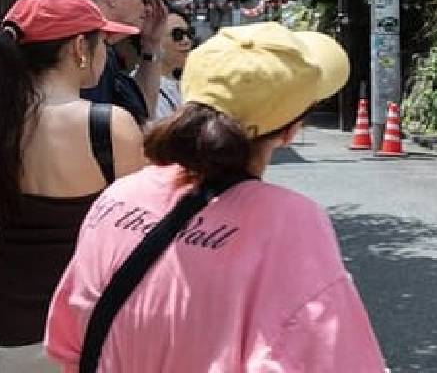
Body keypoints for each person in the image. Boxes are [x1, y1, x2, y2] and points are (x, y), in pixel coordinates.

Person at [43, 22, 386, 372]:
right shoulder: (290, 221)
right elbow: (329, 357)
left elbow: (69, 340)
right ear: (289, 130)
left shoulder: (118, 196)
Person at [0, 0, 148, 371]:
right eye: (102, 41)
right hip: (100, 329)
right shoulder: (110, 125)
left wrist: (20, 239)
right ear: (78, 49)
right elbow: (140, 242)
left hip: (14, 335)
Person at [70, 0, 167, 126]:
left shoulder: (105, 50)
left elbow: (142, 112)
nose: (149, 8)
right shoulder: (79, 45)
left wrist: (152, 44)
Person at [152, 5, 193, 121]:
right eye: (177, 35)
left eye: (189, 34)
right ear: (155, 39)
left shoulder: (185, 81)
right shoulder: (145, 86)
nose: (186, 41)